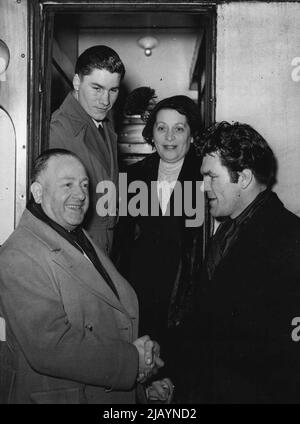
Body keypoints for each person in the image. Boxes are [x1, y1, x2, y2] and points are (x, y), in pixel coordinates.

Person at [0, 149, 165, 404]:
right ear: (38, 192)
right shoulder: (19, 254)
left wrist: (141, 387)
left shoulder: (77, 234)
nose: (80, 194)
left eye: (84, 185)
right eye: (67, 184)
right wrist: (133, 362)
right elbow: (51, 346)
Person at [190, 121, 300, 403]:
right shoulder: (227, 229)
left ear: (245, 178)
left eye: (212, 177)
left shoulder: (290, 237)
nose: (204, 187)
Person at [115, 95, 204, 400]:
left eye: (178, 129)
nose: (169, 137)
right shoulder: (131, 177)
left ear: (191, 135)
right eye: (162, 128)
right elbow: (122, 244)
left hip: (186, 297)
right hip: (139, 294)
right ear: (151, 133)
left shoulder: (205, 177)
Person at [49, 45, 124, 254]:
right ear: (76, 82)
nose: (105, 101)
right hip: (77, 252)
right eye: (97, 88)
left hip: (103, 249)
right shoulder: (58, 131)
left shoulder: (105, 124)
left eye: (113, 90)